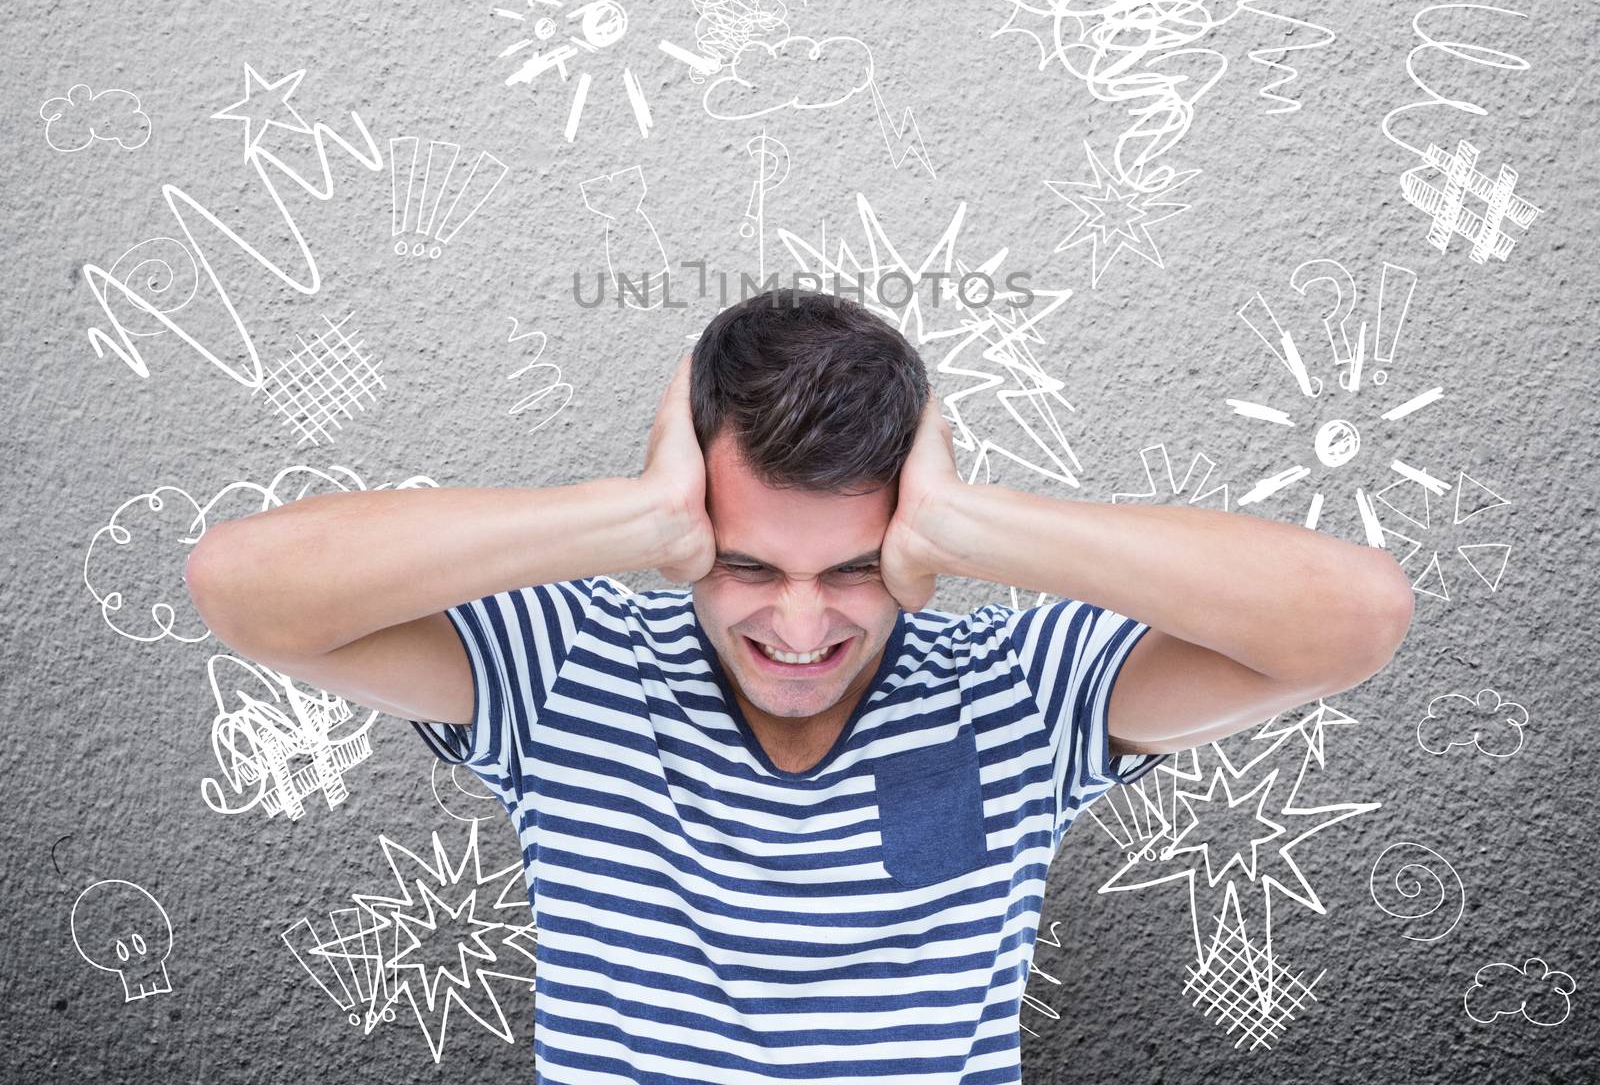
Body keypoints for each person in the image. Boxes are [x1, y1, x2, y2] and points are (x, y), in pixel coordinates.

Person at [184, 288, 1414, 1083]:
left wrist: (970, 522)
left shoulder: (1013, 695)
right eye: (744, 563)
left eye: (857, 567)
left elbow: (1355, 619)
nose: (799, 620)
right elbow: (241, 585)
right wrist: (630, 516)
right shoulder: (571, 676)